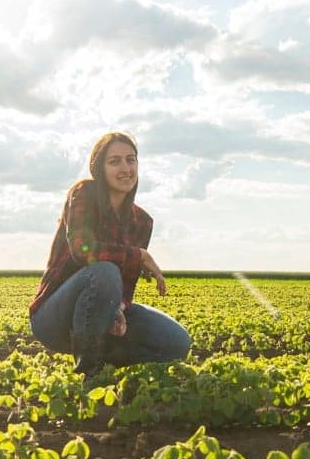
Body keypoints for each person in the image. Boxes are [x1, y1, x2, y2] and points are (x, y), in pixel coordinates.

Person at [28, 131, 192, 375]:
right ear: (99, 168)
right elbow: (82, 250)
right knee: (104, 270)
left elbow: (124, 286)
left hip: (100, 315)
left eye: (130, 159)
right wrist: (139, 255)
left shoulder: (142, 221)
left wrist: (120, 309)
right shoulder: (84, 193)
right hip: (54, 318)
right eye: (114, 161)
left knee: (177, 341)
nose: (125, 168)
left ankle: (106, 361)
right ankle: (89, 372)